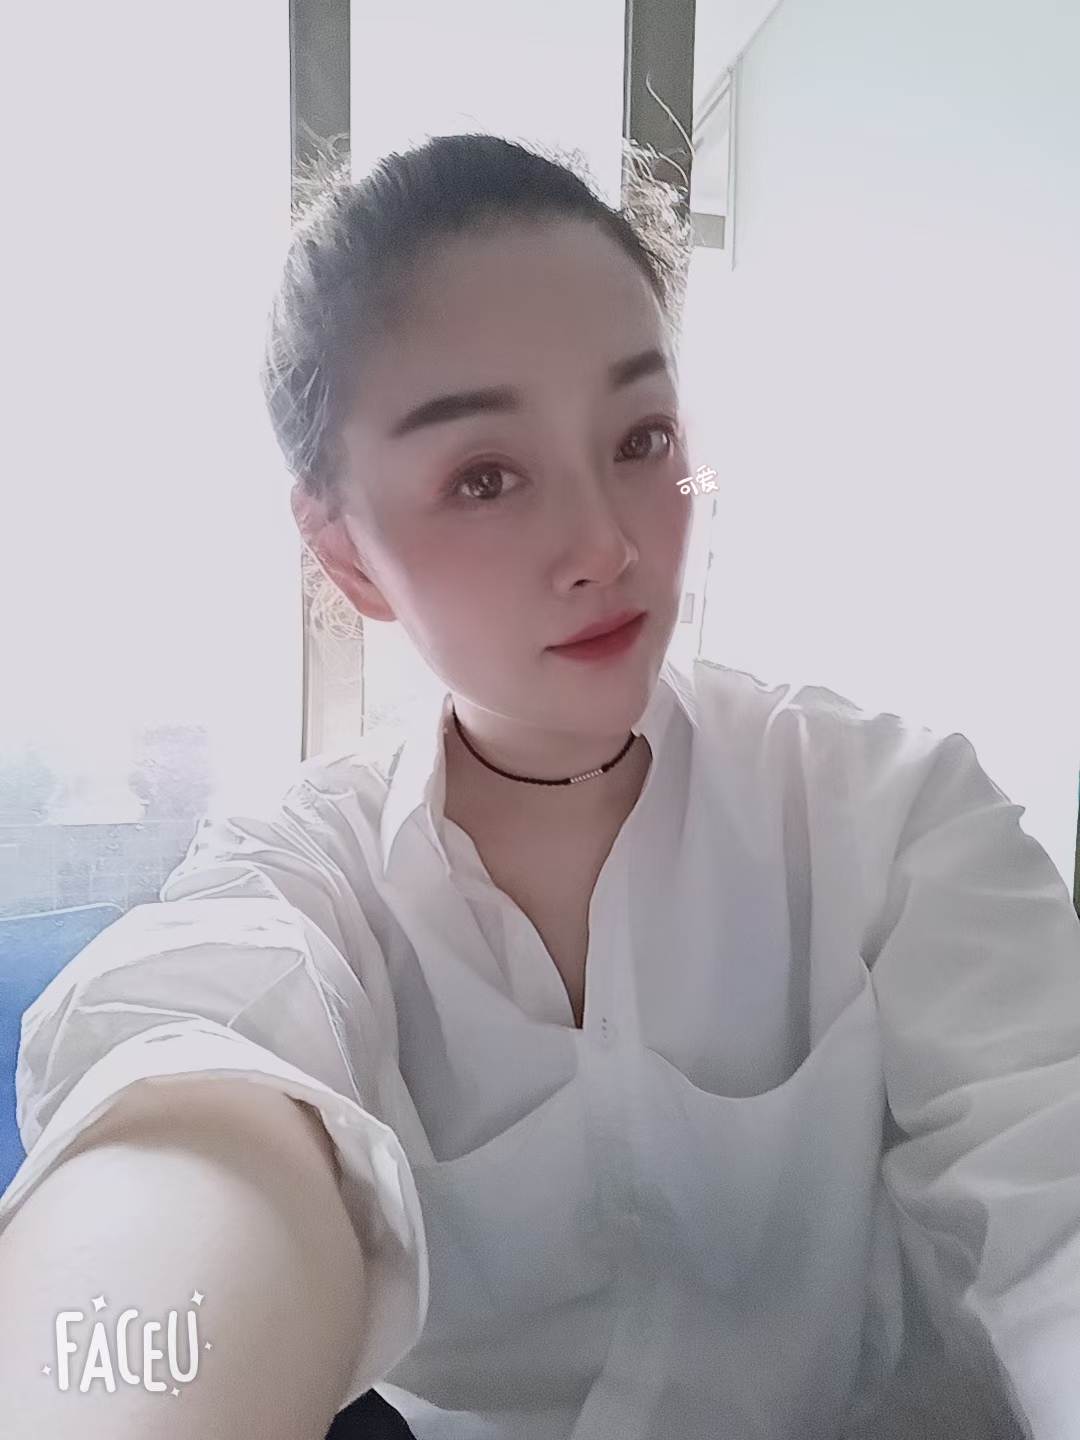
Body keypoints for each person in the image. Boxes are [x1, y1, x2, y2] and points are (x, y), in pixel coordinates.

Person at [0, 131, 1078, 1440]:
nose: (607, 544)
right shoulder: (307, 876)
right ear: (344, 553)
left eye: (641, 437)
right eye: (484, 477)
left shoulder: (885, 815)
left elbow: (1052, 1193)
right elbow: (185, 1113)